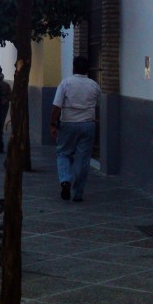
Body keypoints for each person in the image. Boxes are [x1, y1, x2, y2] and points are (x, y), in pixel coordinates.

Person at [50, 56, 101, 203]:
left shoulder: (66, 83)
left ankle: (65, 180)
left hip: (68, 123)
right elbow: (96, 104)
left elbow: (56, 106)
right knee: (83, 159)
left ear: (73, 68)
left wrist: (53, 124)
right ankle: (78, 193)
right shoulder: (94, 85)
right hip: (88, 124)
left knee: (63, 153)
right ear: (87, 69)